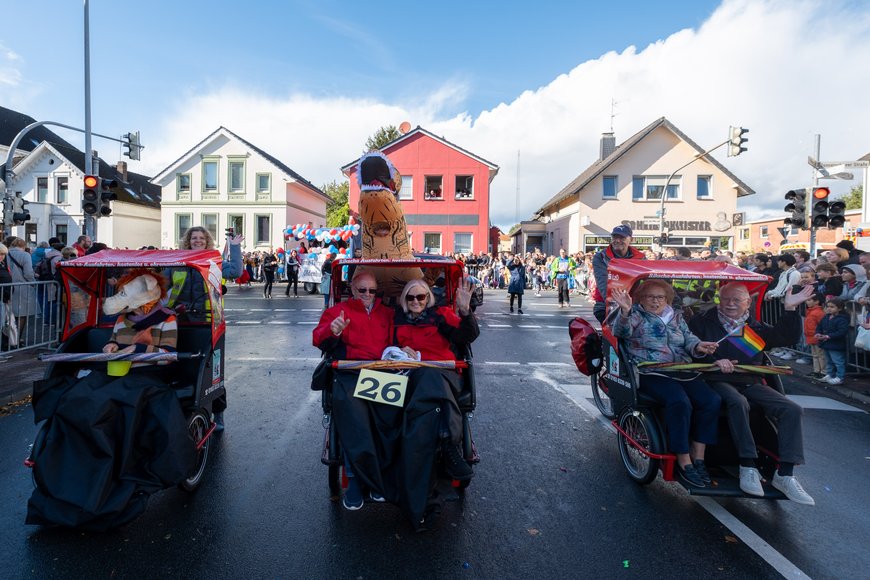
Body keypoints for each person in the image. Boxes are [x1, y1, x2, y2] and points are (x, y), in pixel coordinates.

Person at [689, 282, 815, 504]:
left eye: (737, 300)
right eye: (726, 299)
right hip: (714, 379)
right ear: (719, 300)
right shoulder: (701, 322)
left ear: (748, 302)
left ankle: (785, 474)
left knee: (792, 409)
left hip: (750, 381)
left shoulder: (755, 326)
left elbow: (785, 338)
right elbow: (689, 348)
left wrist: (790, 309)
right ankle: (747, 465)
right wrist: (714, 360)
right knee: (738, 403)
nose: (730, 304)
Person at [611, 279, 721, 488]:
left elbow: (688, 339)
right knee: (679, 401)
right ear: (641, 299)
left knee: (711, 400)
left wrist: (699, 346)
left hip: (681, 369)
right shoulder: (635, 314)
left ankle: (698, 457)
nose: (655, 301)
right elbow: (620, 333)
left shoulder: (676, 317)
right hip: (651, 371)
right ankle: (683, 459)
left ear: (667, 299)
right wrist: (624, 312)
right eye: (649, 297)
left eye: (659, 297)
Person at [312, 271, 393, 510]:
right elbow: (318, 338)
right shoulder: (338, 311)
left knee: (390, 417)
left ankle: (379, 477)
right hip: (350, 373)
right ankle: (358, 481)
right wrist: (333, 330)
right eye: (362, 290)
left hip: (382, 373)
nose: (367, 295)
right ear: (352, 290)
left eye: (372, 291)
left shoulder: (387, 314)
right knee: (356, 421)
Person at [592, 225, 645, 322]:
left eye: (622, 238)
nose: (617, 240)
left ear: (631, 239)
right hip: (606, 303)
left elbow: (646, 282)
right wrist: (619, 305)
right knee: (615, 329)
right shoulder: (600, 257)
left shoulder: (641, 258)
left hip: (634, 303)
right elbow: (603, 283)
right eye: (615, 237)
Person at [5, 237, 37, 346]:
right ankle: (17, 340)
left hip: (7, 287)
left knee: (8, 315)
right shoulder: (25, 255)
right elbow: (28, 273)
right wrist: (33, 283)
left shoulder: (5, 254)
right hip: (23, 287)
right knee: (22, 315)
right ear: (23, 246)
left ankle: (8, 339)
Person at [815, 298, 849, 385]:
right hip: (826, 343)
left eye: (832, 307)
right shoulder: (826, 317)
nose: (829, 308)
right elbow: (819, 326)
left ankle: (840, 377)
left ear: (840, 308)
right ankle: (829, 374)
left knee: (838, 361)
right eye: (827, 307)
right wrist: (818, 333)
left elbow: (842, 332)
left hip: (836, 344)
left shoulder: (842, 319)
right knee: (829, 360)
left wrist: (828, 336)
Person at [802, 293, 826, 378]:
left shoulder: (818, 312)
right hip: (811, 336)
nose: (807, 302)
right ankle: (817, 371)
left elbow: (822, 325)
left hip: (816, 336)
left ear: (816, 302)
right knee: (815, 355)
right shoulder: (810, 311)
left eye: (809, 300)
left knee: (820, 355)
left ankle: (823, 371)